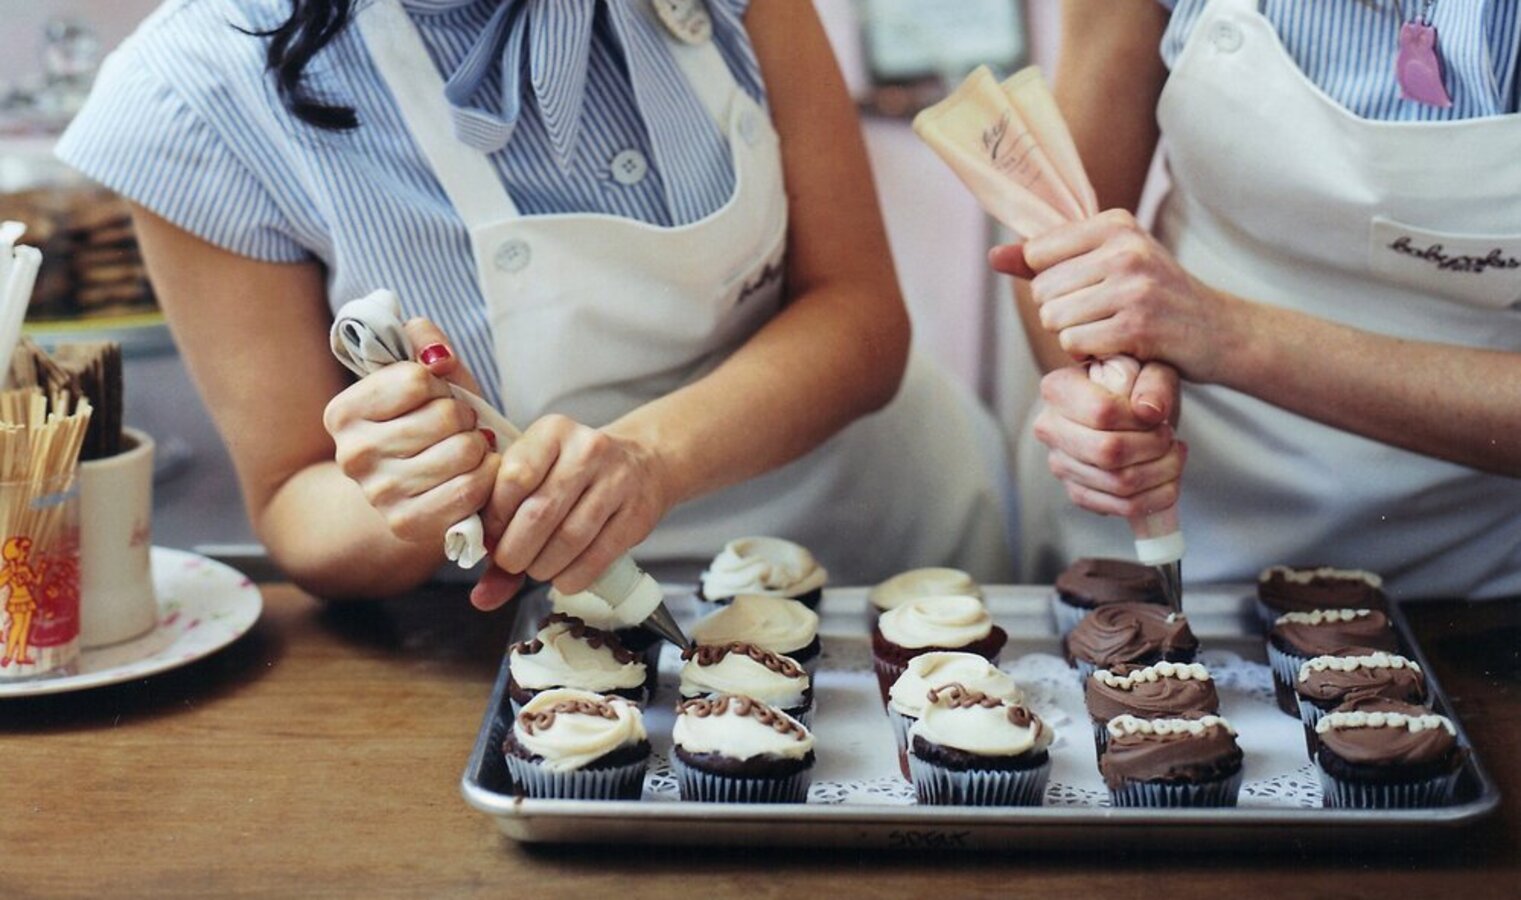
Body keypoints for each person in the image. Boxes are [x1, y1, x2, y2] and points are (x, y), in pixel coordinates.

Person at [57, 0, 1014, 605]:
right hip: (530, 624)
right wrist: (415, 490)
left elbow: (858, 314)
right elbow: (294, 504)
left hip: (881, 555)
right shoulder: (190, 96)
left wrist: (648, 461)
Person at [994, 0, 1521, 599]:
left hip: (1472, 575)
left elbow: (1213, 331)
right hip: (1157, 528)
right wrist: (1110, 387)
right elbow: (1059, 241)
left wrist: (1227, 336)